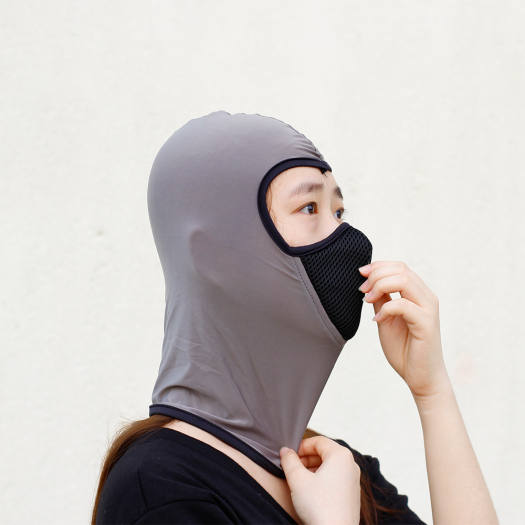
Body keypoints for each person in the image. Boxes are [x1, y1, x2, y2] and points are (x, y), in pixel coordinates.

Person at [92, 111, 499, 525]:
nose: (346, 238)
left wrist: (431, 392)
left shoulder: (337, 473)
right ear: (212, 253)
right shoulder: (157, 489)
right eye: (309, 208)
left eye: (338, 212)